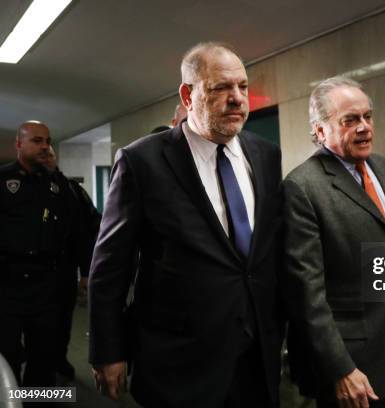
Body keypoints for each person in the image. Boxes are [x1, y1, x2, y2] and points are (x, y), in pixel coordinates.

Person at [88, 42, 283, 407]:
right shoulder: (141, 162)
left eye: (242, 86)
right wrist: (108, 349)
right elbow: (111, 266)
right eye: (221, 87)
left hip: (255, 353)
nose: (238, 98)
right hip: (179, 362)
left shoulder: (265, 155)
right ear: (187, 94)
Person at [283, 77, 385, 408]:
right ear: (320, 131)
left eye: (367, 117)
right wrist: (341, 368)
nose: (364, 127)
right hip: (356, 364)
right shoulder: (303, 187)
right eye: (350, 120)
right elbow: (307, 292)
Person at [0, 121, 80, 386]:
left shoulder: (57, 184)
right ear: (19, 144)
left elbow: (77, 221)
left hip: (46, 284)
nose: (45, 147)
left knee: (44, 355)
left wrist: (55, 173)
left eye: (47, 141)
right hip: (7, 283)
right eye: (36, 141)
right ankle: (10, 401)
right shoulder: (3, 180)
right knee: (7, 354)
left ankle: (40, 403)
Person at [43, 146, 101, 379]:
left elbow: (87, 232)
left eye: (49, 153)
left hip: (62, 272)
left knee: (62, 323)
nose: (44, 156)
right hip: (21, 277)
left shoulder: (71, 190)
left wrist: (86, 272)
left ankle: (58, 361)